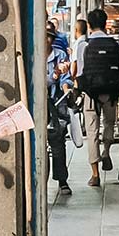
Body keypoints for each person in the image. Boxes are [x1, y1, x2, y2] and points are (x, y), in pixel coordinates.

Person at [77, 6, 119, 188]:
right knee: (109, 124)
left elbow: (81, 72)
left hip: (91, 94)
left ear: (89, 25)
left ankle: (95, 175)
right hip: (111, 92)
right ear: (105, 24)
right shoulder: (115, 46)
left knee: (92, 132)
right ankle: (106, 151)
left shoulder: (85, 45)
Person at [47, 21, 72, 195]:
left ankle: (62, 180)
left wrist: (66, 89)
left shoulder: (60, 55)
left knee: (58, 143)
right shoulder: (31, 54)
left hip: (56, 103)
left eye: (49, 37)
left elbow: (66, 79)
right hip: (37, 105)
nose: (46, 40)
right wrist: (55, 74)